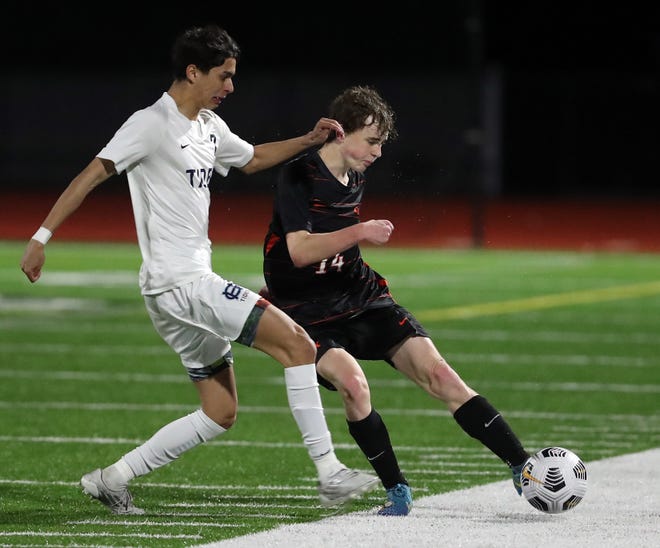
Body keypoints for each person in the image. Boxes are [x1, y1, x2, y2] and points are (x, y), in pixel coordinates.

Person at [20, 25, 380, 515]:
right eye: (223, 76)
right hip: (181, 283)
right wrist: (41, 238)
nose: (230, 87)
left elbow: (251, 158)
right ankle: (329, 472)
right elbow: (91, 174)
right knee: (298, 344)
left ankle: (112, 478)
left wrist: (310, 139)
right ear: (193, 72)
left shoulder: (208, 126)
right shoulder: (150, 124)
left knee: (220, 411)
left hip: (173, 292)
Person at [261, 85, 530, 516]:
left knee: (442, 377)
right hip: (305, 314)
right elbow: (299, 250)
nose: (378, 152)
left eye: (382, 143)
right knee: (352, 384)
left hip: (362, 297)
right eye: (372, 141)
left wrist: (356, 238)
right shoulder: (298, 176)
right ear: (339, 134)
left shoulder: (356, 175)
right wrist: (360, 232)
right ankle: (397, 490)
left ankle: (523, 466)